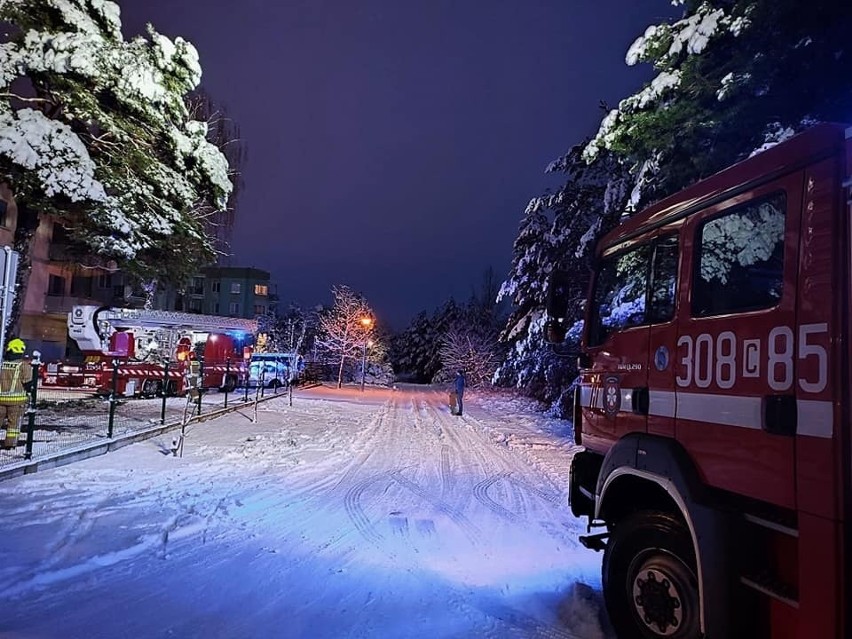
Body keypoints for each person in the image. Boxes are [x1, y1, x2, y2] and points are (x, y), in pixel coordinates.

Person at [0, 338, 33, 450]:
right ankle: (10, 445)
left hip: (0, 399)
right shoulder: (23, 365)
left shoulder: (2, 363)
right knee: (13, 425)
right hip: (16, 401)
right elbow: (28, 383)